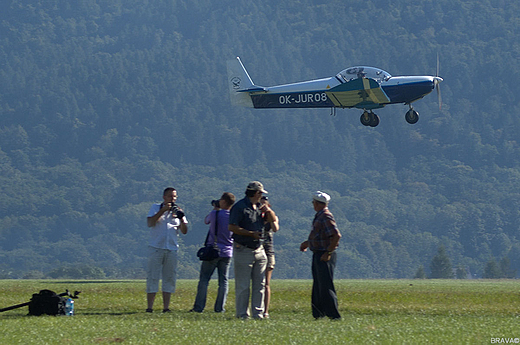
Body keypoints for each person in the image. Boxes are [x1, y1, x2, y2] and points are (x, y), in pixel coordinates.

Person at [229, 181, 275, 319]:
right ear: (256, 193)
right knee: (243, 285)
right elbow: (232, 227)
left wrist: (268, 210)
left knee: (259, 284)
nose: (262, 196)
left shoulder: (260, 208)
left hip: (259, 249)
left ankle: (258, 314)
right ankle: (242, 315)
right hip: (243, 249)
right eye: (260, 193)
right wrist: (250, 233)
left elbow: (274, 223)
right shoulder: (239, 207)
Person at [190, 192, 236, 313]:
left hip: (213, 250)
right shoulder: (233, 216)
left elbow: (206, 221)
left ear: (224, 202)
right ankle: (220, 308)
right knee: (223, 281)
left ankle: (199, 307)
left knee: (204, 279)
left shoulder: (216, 214)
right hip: (227, 252)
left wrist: (215, 209)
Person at [299, 191, 341, 320]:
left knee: (325, 285)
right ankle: (318, 313)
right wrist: (308, 243)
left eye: (313, 203)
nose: (313, 205)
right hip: (318, 253)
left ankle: (334, 315)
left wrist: (328, 252)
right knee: (318, 285)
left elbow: (336, 235)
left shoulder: (326, 216)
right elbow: (320, 235)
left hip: (324, 255)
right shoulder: (320, 216)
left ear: (317, 203)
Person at [146, 187, 188, 313]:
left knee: (169, 277)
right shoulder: (155, 207)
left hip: (171, 248)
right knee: (153, 276)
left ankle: (166, 307)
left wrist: (181, 219)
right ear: (164, 197)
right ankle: (150, 307)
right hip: (156, 247)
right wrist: (163, 210)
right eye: (170, 196)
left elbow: (185, 231)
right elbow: (150, 223)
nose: (173, 199)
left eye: (174, 197)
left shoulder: (178, 210)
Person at [260, 195, 279, 319]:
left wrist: (269, 213)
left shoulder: (272, 216)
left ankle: (265, 310)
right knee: (256, 283)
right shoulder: (255, 217)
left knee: (266, 283)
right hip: (256, 250)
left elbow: (275, 228)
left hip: (268, 251)